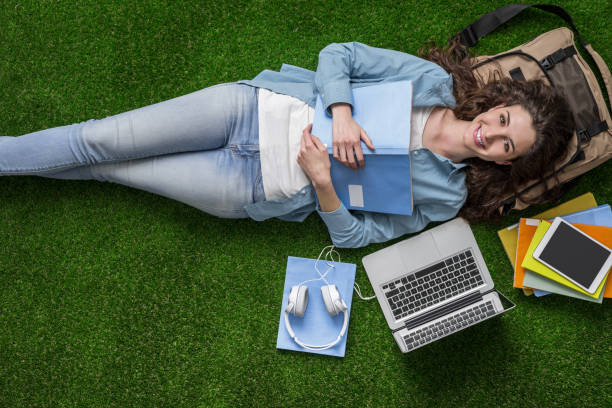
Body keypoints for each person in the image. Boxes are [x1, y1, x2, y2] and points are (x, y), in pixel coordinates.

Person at [0, 41, 574, 248]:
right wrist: (342, 114)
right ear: (498, 102)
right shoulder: (431, 84)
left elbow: (357, 239)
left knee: (112, 170)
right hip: (250, 109)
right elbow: (338, 55)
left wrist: (325, 184)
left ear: (509, 164)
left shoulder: (445, 199)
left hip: (251, 187)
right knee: (97, 140)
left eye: (506, 147)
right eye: (503, 120)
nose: (491, 135)